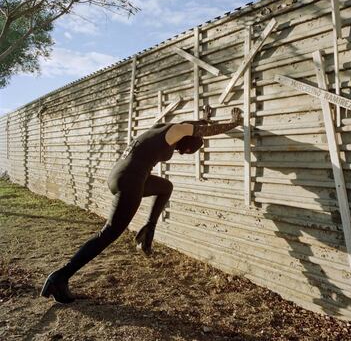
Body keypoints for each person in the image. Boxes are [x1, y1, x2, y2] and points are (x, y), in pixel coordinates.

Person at [40, 106, 243, 303]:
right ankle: (60, 277)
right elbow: (202, 131)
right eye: (185, 149)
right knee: (108, 233)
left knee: (166, 187)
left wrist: (204, 119)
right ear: (187, 138)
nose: (180, 152)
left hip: (121, 174)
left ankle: (148, 232)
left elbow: (195, 127)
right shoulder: (177, 131)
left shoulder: (165, 128)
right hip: (131, 179)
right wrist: (234, 123)